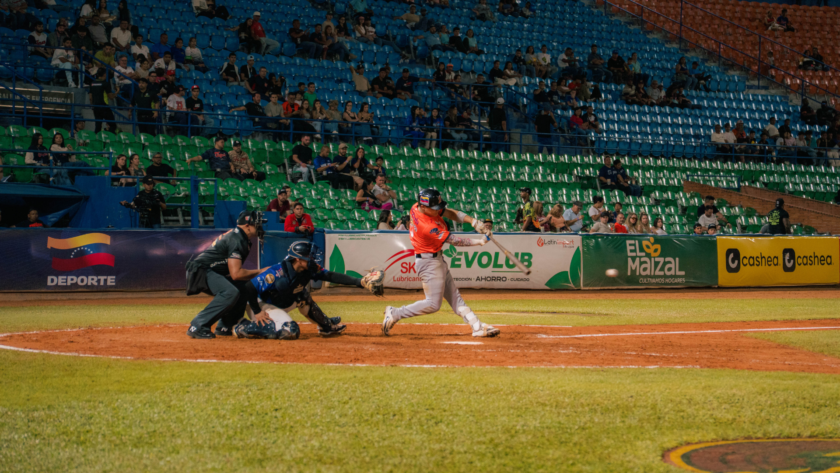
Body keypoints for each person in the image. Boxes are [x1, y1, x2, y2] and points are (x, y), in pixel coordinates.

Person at [382, 189, 498, 338]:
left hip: (436, 259)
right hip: (428, 262)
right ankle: (395, 313)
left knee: (455, 297)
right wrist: (480, 241)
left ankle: (477, 326)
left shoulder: (417, 207)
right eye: (434, 208)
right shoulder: (427, 226)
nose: (438, 211)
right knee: (433, 304)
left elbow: (451, 213)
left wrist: (474, 222)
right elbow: (455, 240)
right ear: (424, 207)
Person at [234, 241, 379, 340]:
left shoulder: (307, 270)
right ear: (297, 259)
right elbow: (249, 287)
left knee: (302, 295)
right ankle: (244, 327)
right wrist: (257, 312)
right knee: (290, 330)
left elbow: (330, 275)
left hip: (282, 302)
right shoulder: (277, 271)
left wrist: (359, 282)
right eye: (309, 257)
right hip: (262, 306)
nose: (313, 260)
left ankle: (326, 327)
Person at [185, 211, 270, 339]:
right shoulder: (237, 239)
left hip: (210, 271)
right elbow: (236, 274)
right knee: (229, 291)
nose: (260, 228)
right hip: (201, 271)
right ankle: (198, 325)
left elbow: (238, 277)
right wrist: (259, 271)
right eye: (257, 224)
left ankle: (225, 325)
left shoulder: (240, 237)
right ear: (247, 225)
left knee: (243, 287)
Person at [88, 68, 115, 132]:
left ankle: (96, 140)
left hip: (96, 107)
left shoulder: (92, 83)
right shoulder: (106, 83)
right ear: (105, 74)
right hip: (104, 106)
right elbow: (111, 97)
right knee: (113, 125)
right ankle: (110, 139)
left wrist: (92, 105)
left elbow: (90, 97)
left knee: (98, 126)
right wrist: (116, 93)